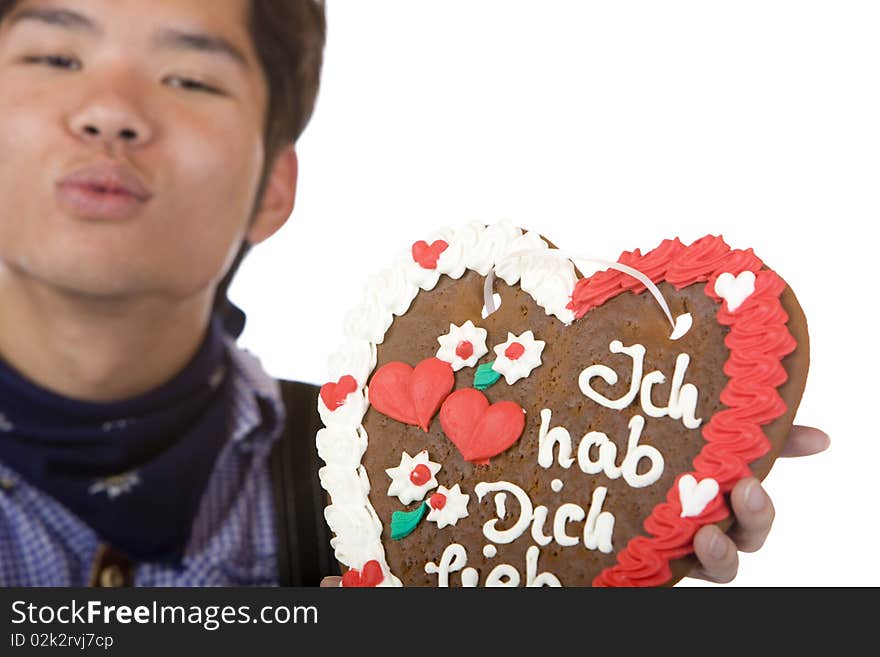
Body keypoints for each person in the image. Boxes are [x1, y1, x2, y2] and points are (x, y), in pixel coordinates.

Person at [0, 0, 829, 588]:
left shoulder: (381, 493)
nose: (111, 112)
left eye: (190, 79)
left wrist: (609, 519)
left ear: (274, 187)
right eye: (55, 57)